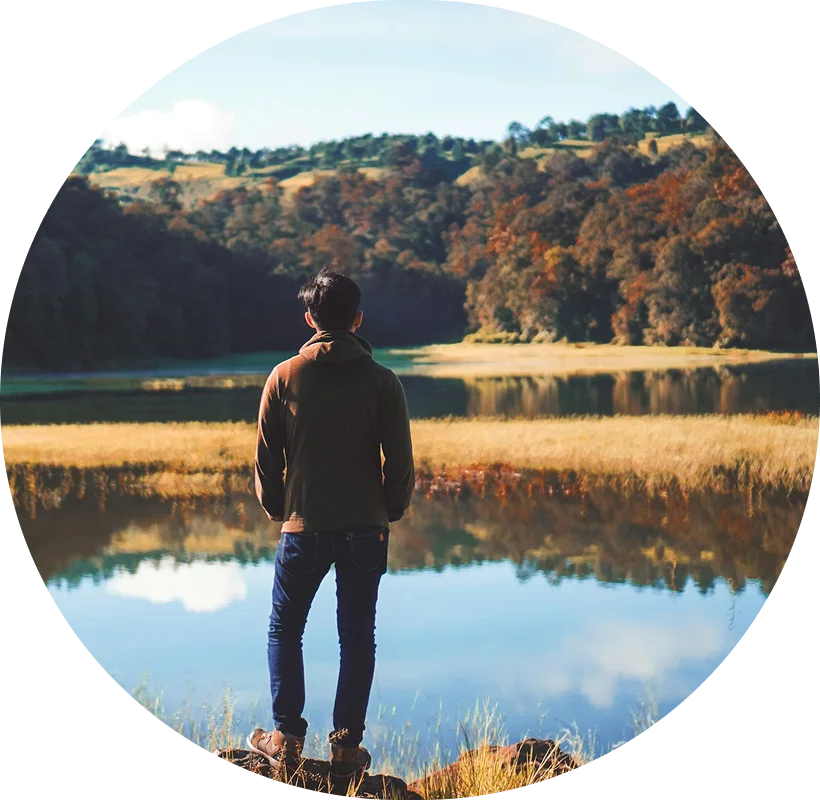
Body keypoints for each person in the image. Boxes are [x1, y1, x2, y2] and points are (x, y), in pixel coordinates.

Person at [247, 267, 415, 793]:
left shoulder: (284, 376)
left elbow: (265, 461)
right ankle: (345, 749)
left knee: (284, 630)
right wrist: (389, 511)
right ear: (358, 319)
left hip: (305, 529)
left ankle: (287, 741)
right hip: (366, 529)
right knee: (357, 638)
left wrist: (280, 510)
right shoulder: (383, 381)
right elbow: (402, 463)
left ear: (309, 318)